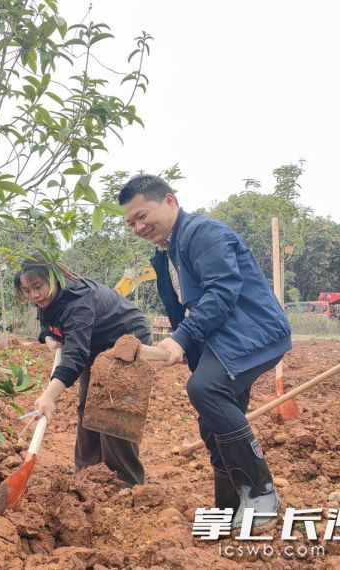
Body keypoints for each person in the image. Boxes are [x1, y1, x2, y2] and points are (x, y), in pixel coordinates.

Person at [119, 174, 292, 529]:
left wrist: (181, 339)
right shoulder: (168, 252)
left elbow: (222, 292)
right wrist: (183, 348)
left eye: (142, 215)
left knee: (205, 389)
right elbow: (186, 307)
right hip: (222, 340)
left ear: (169, 200)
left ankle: (261, 492)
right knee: (212, 421)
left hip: (252, 331)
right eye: (130, 222)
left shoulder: (202, 233)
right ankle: (228, 507)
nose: (138, 226)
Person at [16, 254, 152, 487]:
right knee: (87, 404)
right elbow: (45, 322)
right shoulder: (49, 300)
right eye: (27, 291)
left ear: (55, 279)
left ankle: (125, 481)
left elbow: (75, 357)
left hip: (125, 339)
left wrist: (49, 396)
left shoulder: (79, 301)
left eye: (38, 287)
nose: (34, 295)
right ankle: (87, 473)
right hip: (95, 344)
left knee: (113, 407)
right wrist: (48, 336)